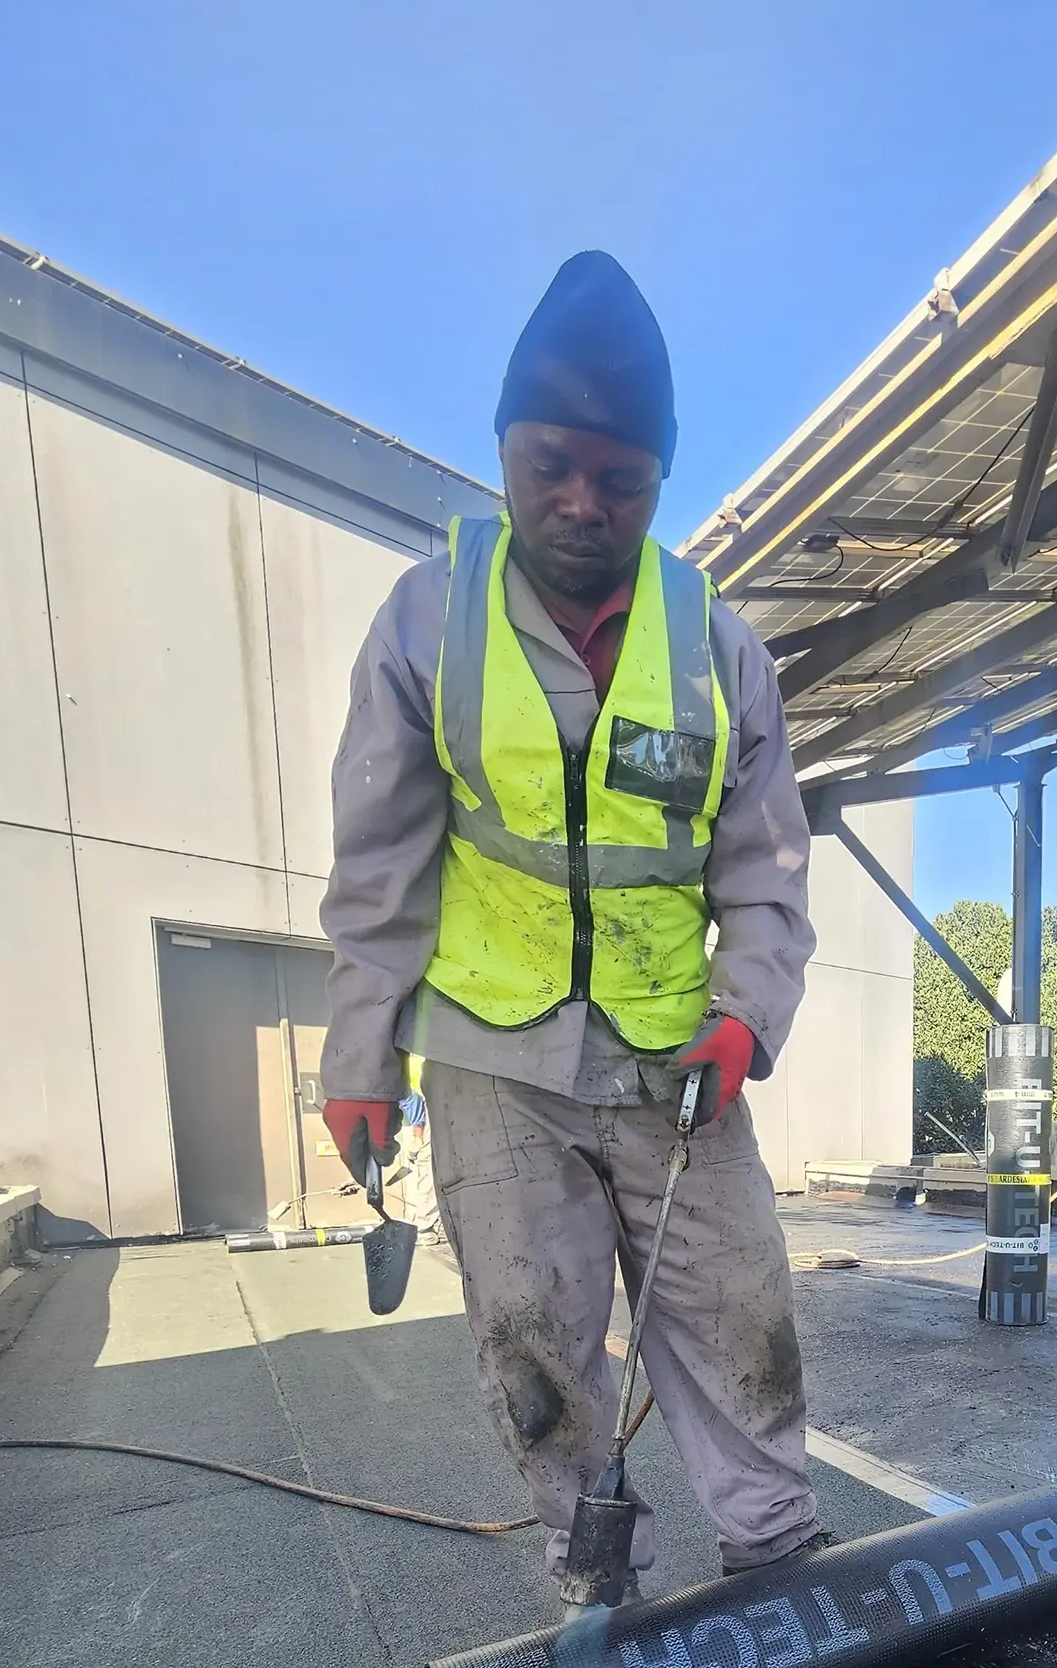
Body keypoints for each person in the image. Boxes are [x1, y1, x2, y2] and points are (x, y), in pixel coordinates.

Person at [318, 252, 823, 1587]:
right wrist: (361, 1059)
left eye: (622, 480)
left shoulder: (718, 649)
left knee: (740, 1314)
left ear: (661, 483)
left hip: (675, 1061)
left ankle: (780, 1566)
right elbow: (380, 865)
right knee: (534, 1344)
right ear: (503, 450)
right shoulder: (428, 622)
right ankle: (602, 1581)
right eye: (550, 465)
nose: (583, 503)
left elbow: (767, 869)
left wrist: (746, 1015)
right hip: (494, 1059)